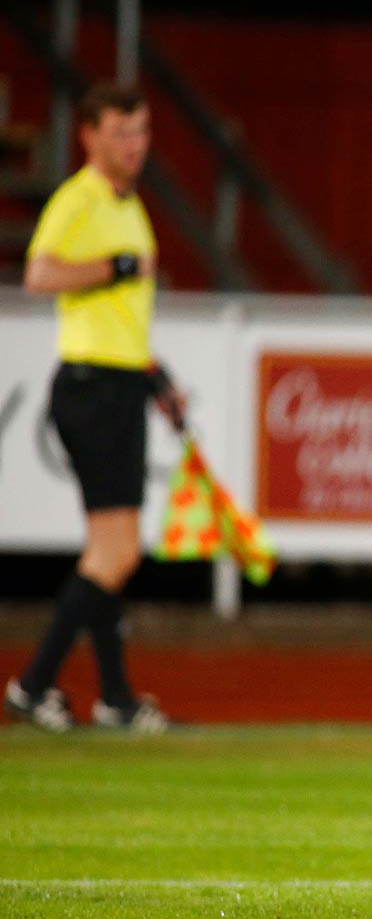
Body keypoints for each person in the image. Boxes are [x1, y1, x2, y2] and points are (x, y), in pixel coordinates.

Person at [4, 83, 175, 735]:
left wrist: (154, 376)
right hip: (92, 388)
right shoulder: (80, 199)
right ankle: (33, 684)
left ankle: (115, 698)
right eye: (122, 133)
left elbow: (122, 317)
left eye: (142, 132)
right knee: (117, 551)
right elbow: (40, 274)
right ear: (89, 136)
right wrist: (115, 265)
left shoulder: (129, 204)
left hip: (120, 382)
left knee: (109, 550)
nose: (136, 146)